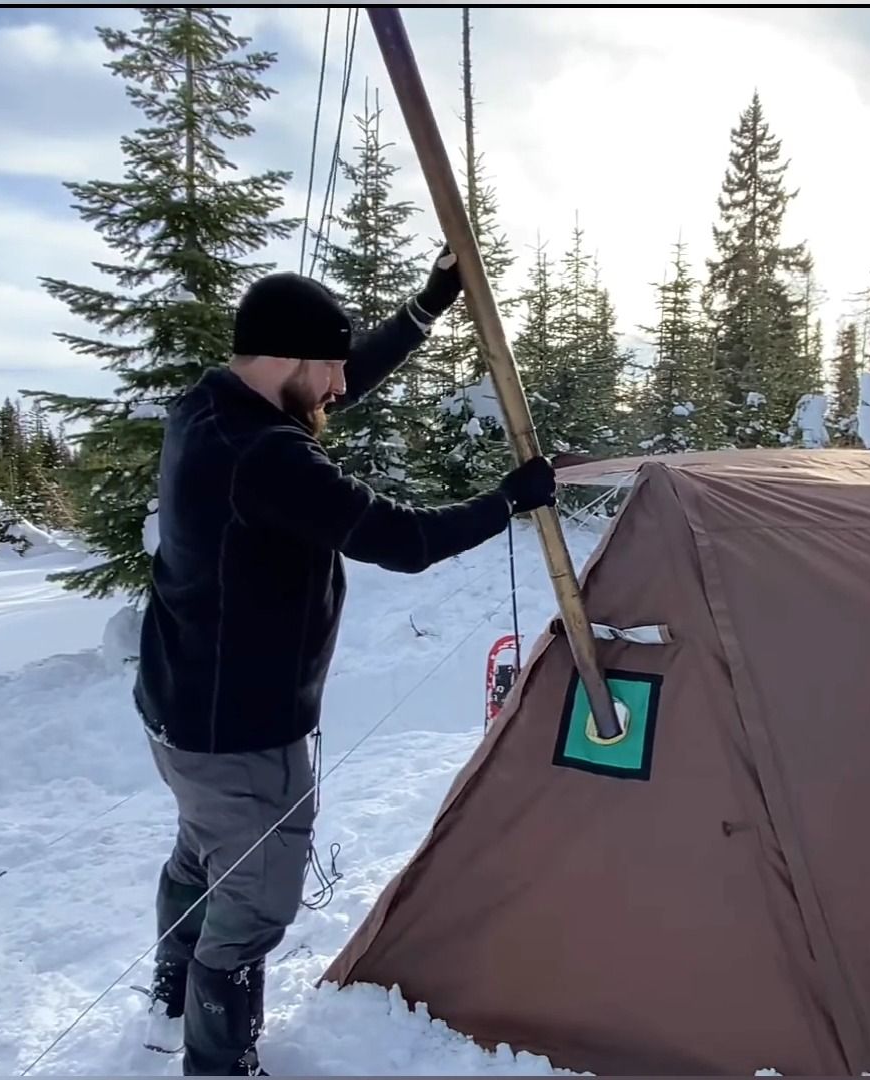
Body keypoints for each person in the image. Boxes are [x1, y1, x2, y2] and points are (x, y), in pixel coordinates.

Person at [132, 248, 557, 1075]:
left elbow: (342, 377)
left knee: (201, 853)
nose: (337, 390)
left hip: (180, 712)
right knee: (253, 899)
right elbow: (403, 540)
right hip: (241, 733)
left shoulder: (211, 407)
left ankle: (170, 999)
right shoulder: (267, 457)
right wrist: (508, 499)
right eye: (327, 369)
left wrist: (428, 307)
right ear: (288, 359)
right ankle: (218, 1063)